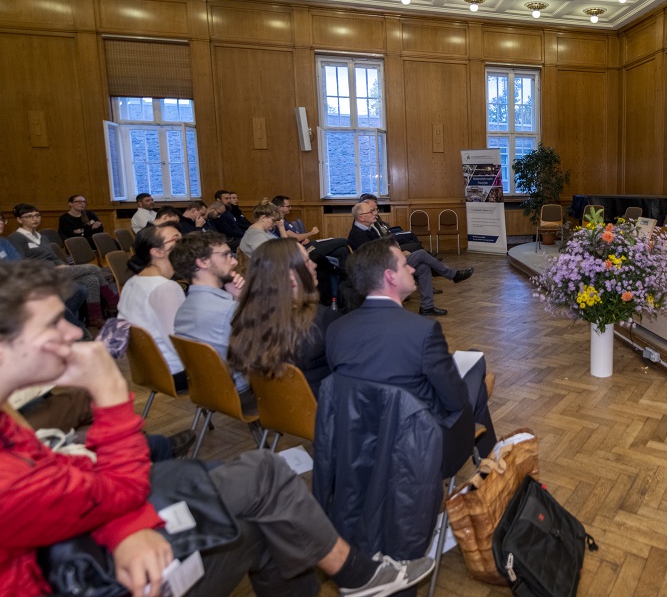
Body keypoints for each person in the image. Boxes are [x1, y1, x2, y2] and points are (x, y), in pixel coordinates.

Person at [0, 260, 434, 597]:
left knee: (266, 516)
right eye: (52, 323)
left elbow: (73, 486)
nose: (72, 332)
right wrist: (110, 399)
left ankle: (357, 575)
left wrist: (123, 526)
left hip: (78, 541)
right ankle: (358, 575)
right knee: (264, 484)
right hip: (77, 576)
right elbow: (110, 490)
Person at [328, 238, 496, 477]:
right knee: (476, 364)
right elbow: (456, 402)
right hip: (421, 449)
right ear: (390, 276)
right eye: (405, 264)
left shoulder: (336, 330)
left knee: (470, 362)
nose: (413, 269)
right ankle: (492, 466)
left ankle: (491, 463)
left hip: (362, 446)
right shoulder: (422, 331)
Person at [229, 238, 340, 398]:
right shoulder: (322, 319)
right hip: (322, 407)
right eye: (306, 261)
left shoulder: (248, 319)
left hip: (273, 407)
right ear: (290, 275)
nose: (314, 265)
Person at [170, 232, 256, 412]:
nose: (234, 261)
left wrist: (234, 297)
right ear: (203, 262)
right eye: (226, 255)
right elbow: (265, 352)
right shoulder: (228, 310)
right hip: (243, 394)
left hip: (206, 392)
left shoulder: (182, 310)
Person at [347, 199, 472, 317]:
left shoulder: (369, 229)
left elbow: (381, 247)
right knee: (421, 254)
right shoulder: (357, 234)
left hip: (387, 261)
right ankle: (452, 275)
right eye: (371, 212)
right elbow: (373, 257)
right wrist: (398, 255)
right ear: (361, 217)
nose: (375, 213)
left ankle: (427, 307)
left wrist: (397, 252)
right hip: (380, 268)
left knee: (423, 268)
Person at [9, 203, 114, 327]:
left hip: (56, 271)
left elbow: (54, 258)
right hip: (40, 275)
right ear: (19, 220)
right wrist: (51, 268)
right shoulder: (16, 238)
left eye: (37, 215)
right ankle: (113, 300)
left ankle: (95, 316)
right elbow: (20, 263)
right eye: (29, 216)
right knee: (93, 268)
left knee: (91, 279)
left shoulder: (42, 237)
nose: (35, 219)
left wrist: (63, 266)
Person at [117, 225, 187, 389]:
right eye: (176, 240)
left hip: (146, 369)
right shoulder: (166, 287)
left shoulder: (132, 282)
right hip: (174, 371)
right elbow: (178, 341)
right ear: (157, 251)